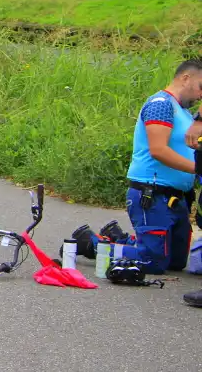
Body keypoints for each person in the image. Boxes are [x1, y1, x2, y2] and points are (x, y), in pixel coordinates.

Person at [70, 60, 202, 280]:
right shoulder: (161, 104)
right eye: (201, 86)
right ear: (185, 78)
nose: (201, 94)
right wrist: (198, 169)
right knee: (154, 261)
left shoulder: (186, 114)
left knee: (176, 262)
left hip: (177, 199)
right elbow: (158, 150)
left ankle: (118, 238)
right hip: (152, 193)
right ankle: (90, 244)